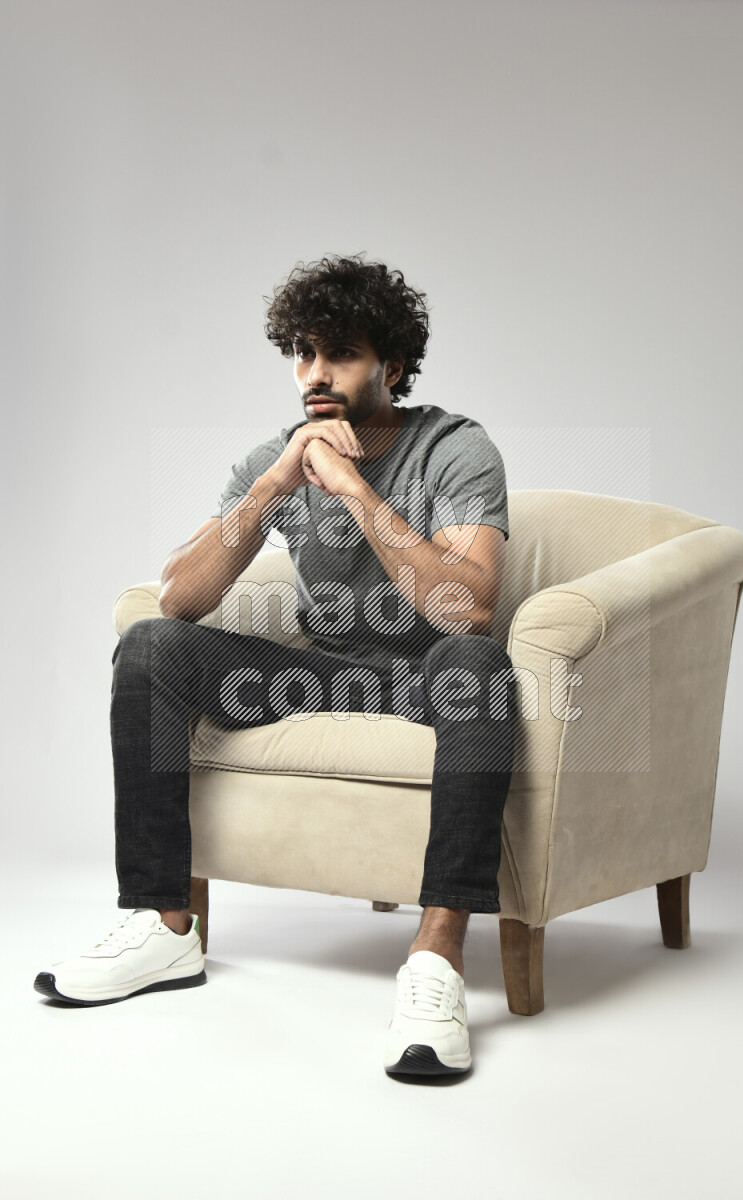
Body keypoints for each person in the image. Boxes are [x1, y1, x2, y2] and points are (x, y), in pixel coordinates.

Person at [34, 253, 517, 1078]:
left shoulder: (455, 448)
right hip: (325, 673)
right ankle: (163, 928)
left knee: (478, 663)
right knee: (152, 645)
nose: (315, 374)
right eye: (302, 353)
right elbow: (177, 597)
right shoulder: (277, 457)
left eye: (340, 354)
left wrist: (353, 487)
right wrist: (277, 482)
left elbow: (467, 607)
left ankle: (435, 960)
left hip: (429, 675)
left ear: (391, 365)